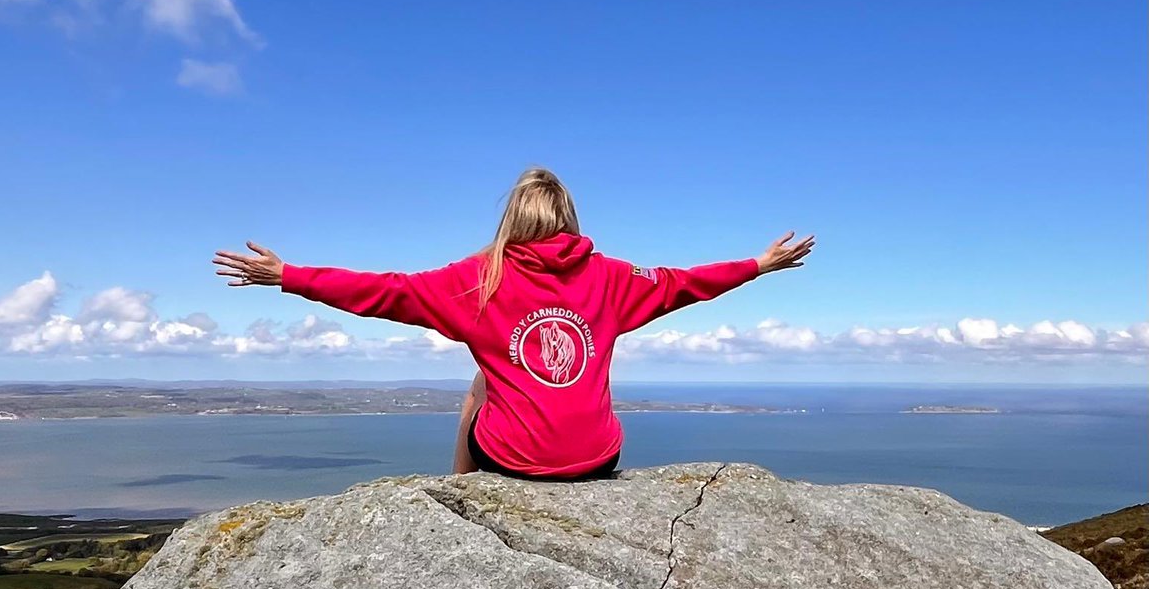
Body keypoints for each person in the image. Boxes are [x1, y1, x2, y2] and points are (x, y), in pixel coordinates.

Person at [211, 167, 814, 481]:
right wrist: (757, 265)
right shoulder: (611, 277)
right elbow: (686, 282)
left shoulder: (479, 278)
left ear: (512, 220)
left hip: (513, 462)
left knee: (478, 385)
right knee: (581, 382)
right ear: (569, 220)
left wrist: (287, 274)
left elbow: (382, 292)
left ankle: (462, 488)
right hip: (599, 459)